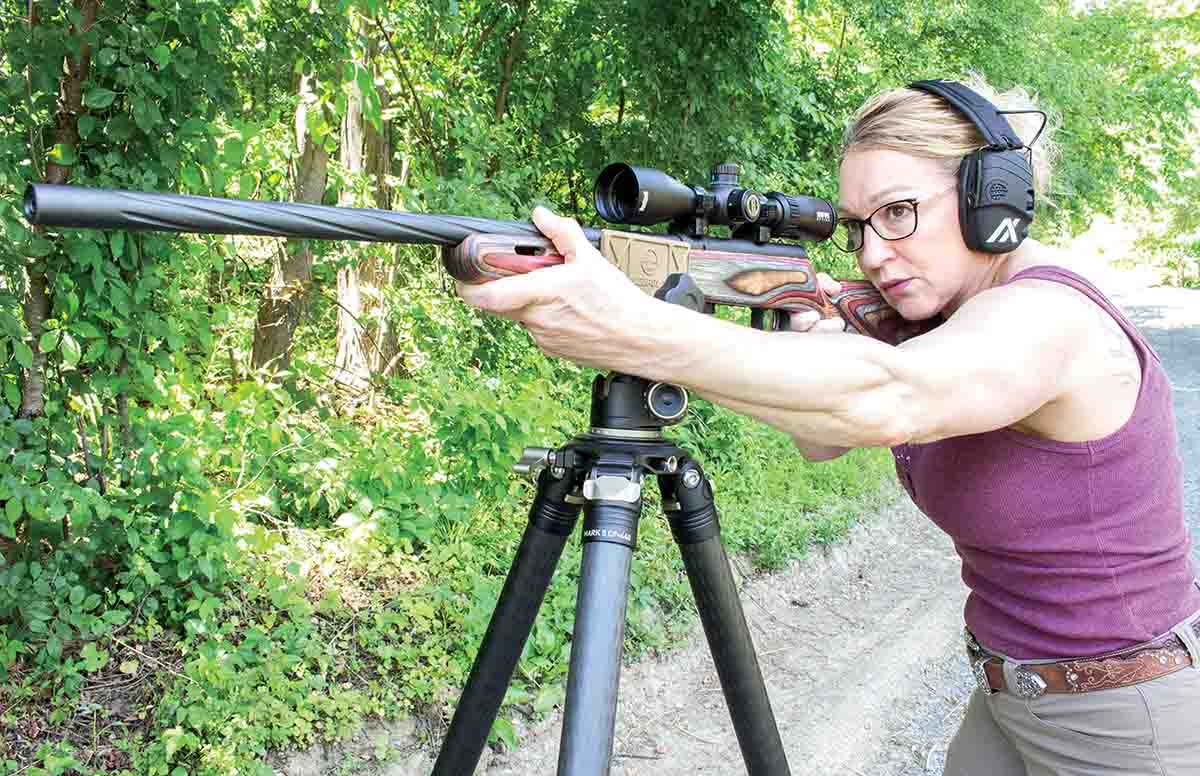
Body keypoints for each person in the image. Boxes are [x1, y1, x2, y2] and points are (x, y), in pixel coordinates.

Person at [457, 76, 1200, 775]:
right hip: (1010, 696)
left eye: (900, 212)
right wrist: (743, 346)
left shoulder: (1051, 317)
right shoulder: (942, 321)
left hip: (1125, 717)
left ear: (990, 197)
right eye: (857, 227)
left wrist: (634, 330)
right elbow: (825, 434)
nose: (875, 253)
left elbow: (884, 401)